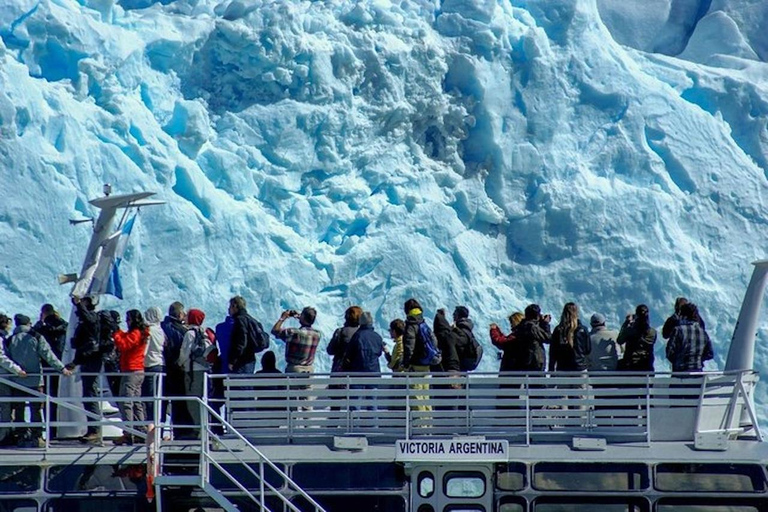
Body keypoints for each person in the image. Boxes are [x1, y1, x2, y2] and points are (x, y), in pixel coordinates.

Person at [6, 314, 71, 447]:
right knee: (36, 409)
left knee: (19, 409)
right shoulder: (36, 337)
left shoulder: (10, 340)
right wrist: (62, 368)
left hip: (17, 380)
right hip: (35, 381)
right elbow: (48, 355)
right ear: (28, 323)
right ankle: (37, 436)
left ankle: (21, 436)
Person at [113, 310, 150, 446]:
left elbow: (124, 345)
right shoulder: (139, 332)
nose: (126, 321)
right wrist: (119, 332)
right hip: (137, 370)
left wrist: (116, 333)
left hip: (131, 371)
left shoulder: (136, 333)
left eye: (128, 319)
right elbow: (127, 338)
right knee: (136, 401)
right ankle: (140, 431)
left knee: (126, 402)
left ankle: (129, 433)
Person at [70, 296, 103, 444]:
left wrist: (79, 304)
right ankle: (93, 428)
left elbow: (87, 318)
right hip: (87, 361)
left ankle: (95, 430)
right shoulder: (87, 321)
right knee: (88, 395)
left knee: (90, 394)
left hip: (91, 361)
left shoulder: (92, 319)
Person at [177, 309, 214, 439]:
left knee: (193, 402)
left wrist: (180, 363)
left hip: (192, 371)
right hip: (205, 370)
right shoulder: (205, 333)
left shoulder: (190, 334)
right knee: (204, 401)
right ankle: (206, 427)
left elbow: (184, 353)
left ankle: (199, 429)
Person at [32, 304, 68, 438]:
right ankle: (61, 430)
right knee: (61, 398)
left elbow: (33, 335)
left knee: (48, 399)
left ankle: (51, 431)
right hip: (62, 367)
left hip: (46, 368)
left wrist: (40, 321)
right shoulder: (65, 326)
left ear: (43, 313)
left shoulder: (40, 328)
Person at [341, 312, 384, 411]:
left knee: (355, 403)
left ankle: (354, 425)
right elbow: (379, 352)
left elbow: (349, 354)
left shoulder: (357, 336)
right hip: (373, 372)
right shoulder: (377, 337)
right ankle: (372, 425)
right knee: (372, 403)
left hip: (357, 372)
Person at [161, 301, 190, 439]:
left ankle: (158, 433)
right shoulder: (182, 331)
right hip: (177, 371)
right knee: (179, 402)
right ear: (179, 314)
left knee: (161, 402)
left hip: (162, 369)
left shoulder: (162, 327)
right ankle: (180, 432)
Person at [401, 298, 434, 412]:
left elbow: (409, 347)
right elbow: (434, 342)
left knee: (416, 396)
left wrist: (406, 364)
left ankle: (421, 426)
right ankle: (428, 424)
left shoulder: (411, 325)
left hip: (416, 365)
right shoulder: (424, 323)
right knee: (425, 395)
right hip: (426, 365)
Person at [271, 307, 322, 374]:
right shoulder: (317, 335)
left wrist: (282, 318)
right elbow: (307, 325)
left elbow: (275, 330)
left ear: (303, 317)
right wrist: (302, 318)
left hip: (294, 371)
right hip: (309, 372)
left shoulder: (293, 333)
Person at [666, 302, 714, 372]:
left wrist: (678, 361)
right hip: (697, 373)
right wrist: (698, 360)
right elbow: (710, 354)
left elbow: (669, 352)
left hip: (680, 373)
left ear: (683, 316)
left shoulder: (678, 330)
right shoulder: (703, 333)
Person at [228, 296, 269, 374]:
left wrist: (232, 360)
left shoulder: (240, 320)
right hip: (250, 359)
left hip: (242, 361)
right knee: (247, 383)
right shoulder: (251, 319)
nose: (229, 309)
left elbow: (241, 342)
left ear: (235, 306)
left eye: (230, 306)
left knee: (239, 384)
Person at [0, 324, 26, 446]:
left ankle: (6, 432)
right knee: (5, 406)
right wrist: (17, 370)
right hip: (2, 377)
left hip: (4, 377)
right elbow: (1, 358)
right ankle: (4, 435)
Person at [141, 307, 166, 427]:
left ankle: (150, 425)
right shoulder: (160, 330)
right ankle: (159, 426)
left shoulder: (148, 330)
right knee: (157, 397)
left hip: (149, 365)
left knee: (149, 398)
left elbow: (144, 350)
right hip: (160, 364)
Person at [549, 303, 591, 372]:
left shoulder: (558, 330)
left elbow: (553, 352)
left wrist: (551, 370)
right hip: (579, 367)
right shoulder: (582, 329)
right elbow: (588, 349)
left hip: (563, 368)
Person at [617, 304, 657, 371]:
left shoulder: (630, 331)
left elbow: (619, 340)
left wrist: (626, 323)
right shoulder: (653, 332)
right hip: (647, 366)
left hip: (630, 365)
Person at [514, 304, 551, 372]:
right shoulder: (532, 327)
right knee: (538, 382)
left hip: (525, 361)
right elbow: (548, 338)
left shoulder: (522, 326)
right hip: (535, 361)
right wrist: (545, 324)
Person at [327, 306, 362, 373]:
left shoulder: (340, 332)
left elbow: (330, 350)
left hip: (340, 370)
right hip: (357, 371)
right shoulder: (362, 334)